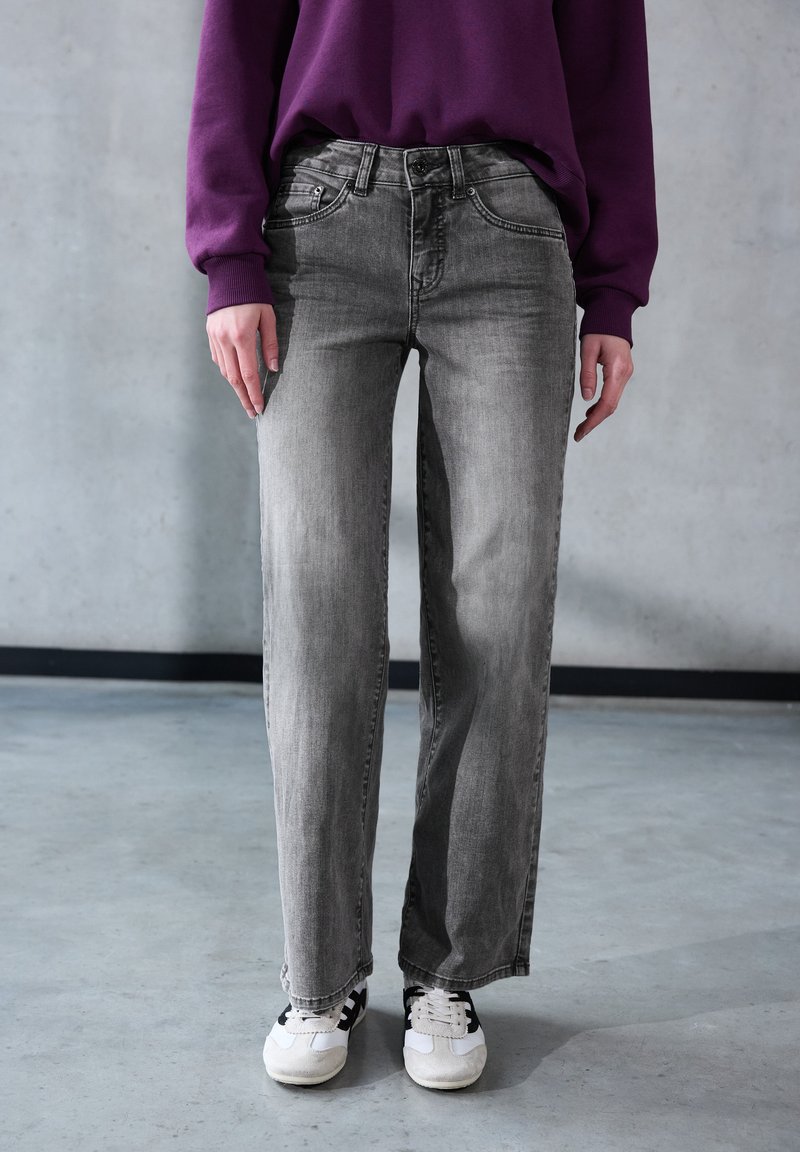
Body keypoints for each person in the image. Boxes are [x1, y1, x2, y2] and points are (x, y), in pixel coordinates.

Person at [185, 0, 658, 1091]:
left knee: (498, 616)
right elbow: (236, 41)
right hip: (318, 224)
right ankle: (320, 974)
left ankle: (448, 973)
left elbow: (605, 62)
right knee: (319, 618)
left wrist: (612, 291)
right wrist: (229, 260)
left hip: (509, 227)